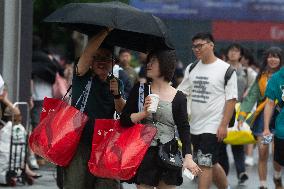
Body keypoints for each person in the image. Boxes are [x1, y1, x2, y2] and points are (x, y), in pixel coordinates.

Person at [120, 49, 201, 189]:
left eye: (153, 61)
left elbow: (184, 128)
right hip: (144, 152)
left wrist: (188, 157)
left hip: (169, 153)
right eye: (148, 61)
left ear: (165, 65)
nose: (148, 64)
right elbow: (124, 120)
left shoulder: (179, 97)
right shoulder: (140, 90)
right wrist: (143, 114)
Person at [63, 28, 126, 189]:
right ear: (90, 60)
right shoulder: (82, 76)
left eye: (106, 58)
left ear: (113, 63)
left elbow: (122, 112)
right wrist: (105, 31)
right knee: (75, 185)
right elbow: (85, 58)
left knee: (107, 186)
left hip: (106, 144)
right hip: (80, 143)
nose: (100, 62)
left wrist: (117, 95)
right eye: (96, 57)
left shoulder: (117, 83)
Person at [178, 32, 238, 189]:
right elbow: (181, 93)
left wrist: (223, 125)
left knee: (204, 164)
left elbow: (231, 99)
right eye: (194, 46)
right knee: (210, 161)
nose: (196, 49)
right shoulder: (191, 68)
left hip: (213, 125)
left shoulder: (226, 70)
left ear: (211, 45)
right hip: (195, 125)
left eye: (200, 45)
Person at [237, 47, 283, 189]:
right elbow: (251, 96)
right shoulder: (261, 77)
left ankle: (277, 176)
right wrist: (242, 116)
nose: (272, 59)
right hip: (264, 121)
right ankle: (263, 185)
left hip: (280, 121)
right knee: (263, 153)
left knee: (277, 154)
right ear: (266, 59)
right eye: (270, 56)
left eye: (276, 56)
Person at [218, 43, 250, 185]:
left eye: (236, 51)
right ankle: (223, 173)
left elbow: (254, 88)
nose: (233, 53)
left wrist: (247, 94)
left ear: (240, 54)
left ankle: (241, 171)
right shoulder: (220, 69)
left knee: (238, 140)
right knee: (222, 141)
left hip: (239, 108)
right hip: (222, 108)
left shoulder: (247, 72)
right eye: (231, 50)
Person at [263, 66, 284, 189]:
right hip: (282, 129)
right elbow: (270, 103)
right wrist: (266, 127)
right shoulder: (276, 78)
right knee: (279, 160)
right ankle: (277, 175)